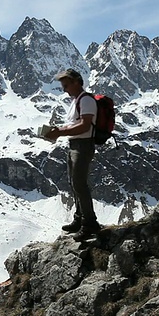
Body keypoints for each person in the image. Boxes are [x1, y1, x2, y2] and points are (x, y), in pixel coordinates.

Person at [45, 68, 101, 241]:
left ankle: (89, 224)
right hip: (74, 145)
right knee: (75, 184)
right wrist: (60, 131)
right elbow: (76, 124)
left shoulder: (86, 100)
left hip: (83, 146)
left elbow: (85, 126)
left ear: (77, 82)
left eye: (66, 85)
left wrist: (60, 132)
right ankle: (79, 219)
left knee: (80, 184)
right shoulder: (76, 101)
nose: (64, 89)